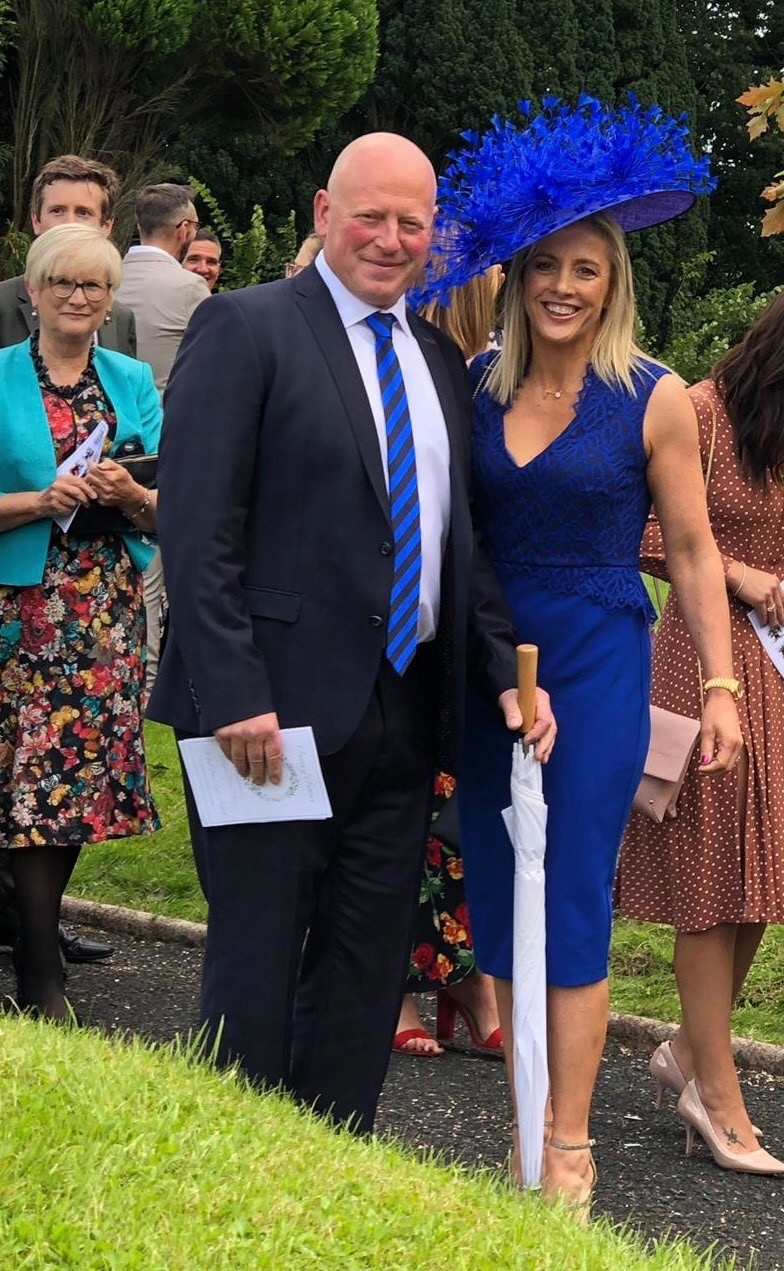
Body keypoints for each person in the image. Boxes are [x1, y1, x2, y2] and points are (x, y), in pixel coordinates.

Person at [147, 132, 555, 1135]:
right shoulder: (244, 328)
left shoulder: (440, 360)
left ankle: (331, 1159)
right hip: (266, 716)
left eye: (411, 222)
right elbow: (197, 531)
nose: (389, 238)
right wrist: (234, 691)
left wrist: (502, 672)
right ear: (325, 213)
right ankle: (229, 1161)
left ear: (433, 234)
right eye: (370, 215)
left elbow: (458, 545)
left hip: (405, 714)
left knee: (365, 967)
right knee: (257, 960)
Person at [422, 97, 743, 1215]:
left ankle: (567, 1141)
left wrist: (718, 684)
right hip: (489, 668)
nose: (564, 286)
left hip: (600, 663)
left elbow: (693, 553)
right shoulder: (472, 387)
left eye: (586, 270)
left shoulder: (654, 396)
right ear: (516, 278)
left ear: (613, 285)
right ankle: (522, 1119)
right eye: (546, 266)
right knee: (498, 889)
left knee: (570, 897)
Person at [616, 292, 784, 1176]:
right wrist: (746, 574)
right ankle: (716, 1094)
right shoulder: (702, 411)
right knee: (712, 877)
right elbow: (648, 533)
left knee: (762, 878)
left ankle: (691, 1049)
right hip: (709, 661)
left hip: (782, 671)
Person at [0, 224, 161, 1020]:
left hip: (102, 616)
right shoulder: (1, 376)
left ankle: (39, 956)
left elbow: (173, 504)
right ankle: (39, 969)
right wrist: (39, 501)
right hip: (17, 612)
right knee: (21, 783)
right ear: (32, 292)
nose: (76, 296)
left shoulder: (132, 380)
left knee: (67, 788)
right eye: (62, 282)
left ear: (109, 300)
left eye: (93, 285)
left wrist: (131, 495)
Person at [394, 265, 506, 1058]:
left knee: (470, 811)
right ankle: (405, 981)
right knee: (421, 811)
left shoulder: (500, 377)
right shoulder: (436, 373)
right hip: (433, 612)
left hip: (492, 612)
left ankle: (469, 978)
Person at [116, 182, 210, 700]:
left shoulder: (108, 275)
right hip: (167, 441)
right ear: (184, 229)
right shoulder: (190, 289)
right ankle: (152, 678)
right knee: (159, 563)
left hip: (99, 433)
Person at [0, 154, 136, 358]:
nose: (69, 223)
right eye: (57, 211)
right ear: (36, 221)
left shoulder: (121, 318)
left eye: (83, 213)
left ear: (106, 226)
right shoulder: (3, 304)